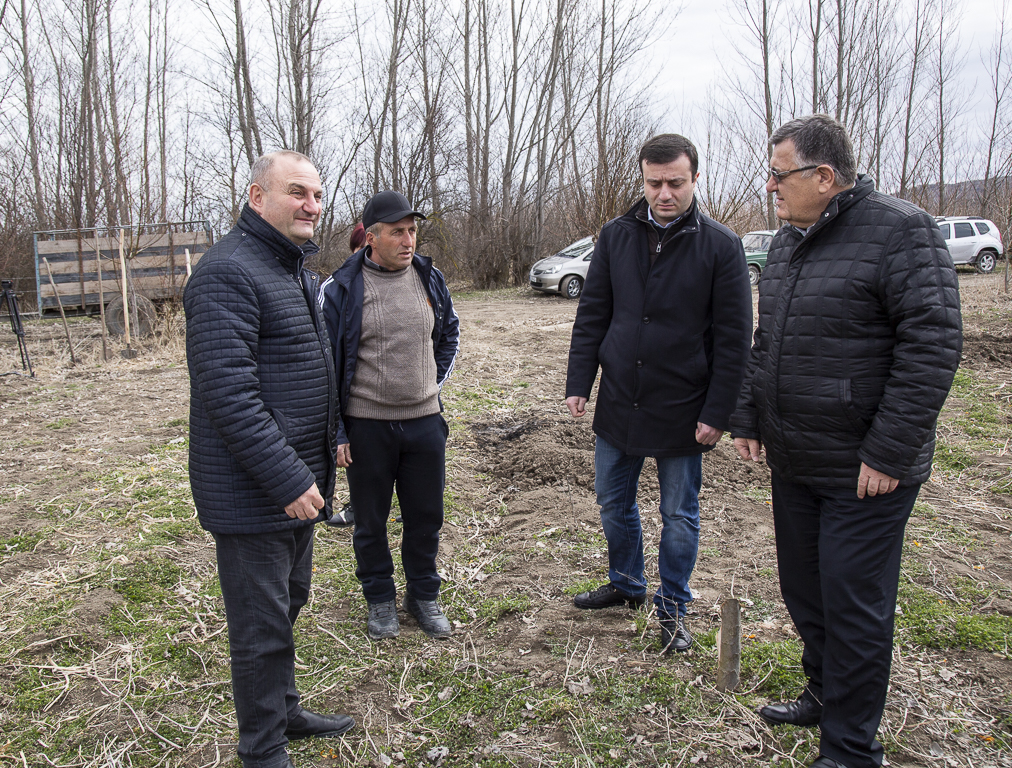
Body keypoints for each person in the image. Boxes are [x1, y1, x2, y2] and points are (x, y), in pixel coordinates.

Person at [728, 115, 962, 768]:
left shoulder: (902, 231)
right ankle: (824, 695)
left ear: (824, 176)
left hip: (865, 471)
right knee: (806, 591)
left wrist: (888, 451)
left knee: (854, 607)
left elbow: (933, 345)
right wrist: (749, 415)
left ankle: (852, 749)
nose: (770, 186)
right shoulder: (786, 244)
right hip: (796, 459)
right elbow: (767, 343)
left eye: (779, 174)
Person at [184, 150, 353, 768]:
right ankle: (262, 749)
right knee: (260, 629)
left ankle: (283, 711)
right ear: (258, 197)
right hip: (255, 490)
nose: (312, 206)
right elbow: (228, 394)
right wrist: (286, 478)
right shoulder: (226, 273)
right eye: (297, 193)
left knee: (286, 605)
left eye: (317, 195)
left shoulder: (290, 268)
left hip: (297, 484)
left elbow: (315, 369)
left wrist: (331, 442)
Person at [565, 133, 752, 653]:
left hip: (683, 406)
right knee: (612, 502)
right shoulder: (616, 235)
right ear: (643, 179)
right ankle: (627, 582)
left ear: (695, 179)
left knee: (679, 514)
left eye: (675, 182)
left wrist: (719, 411)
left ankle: (672, 606)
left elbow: (734, 339)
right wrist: (579, 381)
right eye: (654, 183)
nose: (664, 194)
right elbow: (593, 314)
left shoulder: (721, 245)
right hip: (620, 398)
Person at [321, 190, 460, 640]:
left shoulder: (429, 277)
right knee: (370, 520)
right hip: (367, 427)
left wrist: (428, 386)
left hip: (424, 424)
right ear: (371, 238)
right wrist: (338, 430)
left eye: (412, 231)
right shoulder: (341, 288)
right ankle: (379, 599)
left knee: (426, 517)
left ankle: (423, 596)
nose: (408, 240)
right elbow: (326, 365)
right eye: (397, 232)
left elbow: (449, 334)